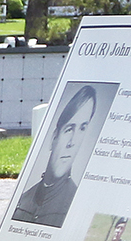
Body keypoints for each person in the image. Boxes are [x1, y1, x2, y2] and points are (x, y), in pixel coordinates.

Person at [13, 82, 103, 228]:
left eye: (82, 128)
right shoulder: (25, 198)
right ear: (54, 138)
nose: (72, 142)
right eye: (69, 129)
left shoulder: (76, 203)